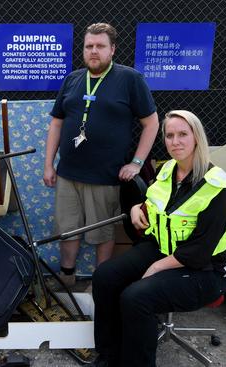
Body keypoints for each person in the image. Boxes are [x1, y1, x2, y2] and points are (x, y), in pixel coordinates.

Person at [88, 110, 226, 367]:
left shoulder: (216, 188)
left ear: (197, 138)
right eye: (169, 135)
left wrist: (156, 267)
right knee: (105, 276)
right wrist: (136, 208)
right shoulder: (167, 170)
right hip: (164, 249)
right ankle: (109, 355)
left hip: (205, 269)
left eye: (182, 135)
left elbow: (199, 251)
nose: (175, 141)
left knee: (136, 297)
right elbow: (155, 205)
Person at [43, 23, 159, 287]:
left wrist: (137, 163)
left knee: (102, 232)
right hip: (68, 173)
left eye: (100, 46)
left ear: (112, 49)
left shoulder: (130, 79)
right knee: (67, 230)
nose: (94, 51)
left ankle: (100, 282)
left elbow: (151, 123)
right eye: (89, 46)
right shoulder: (73, 79)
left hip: (105, 176)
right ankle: (67, 277)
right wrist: (49, 164)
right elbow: (56, 123)